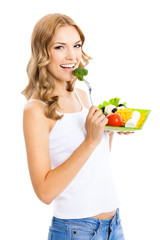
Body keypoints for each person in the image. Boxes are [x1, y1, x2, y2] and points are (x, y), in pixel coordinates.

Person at [22, 13, 126, 240]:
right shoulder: (36, 110)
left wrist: (108, 131)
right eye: (60, 47)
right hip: (76, 231)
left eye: (76, 45)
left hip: (114, 226)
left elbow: (92, 165)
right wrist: (90, 141)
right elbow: (45, 192)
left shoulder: (81, 95)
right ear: (42, 53)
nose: (72, 56)